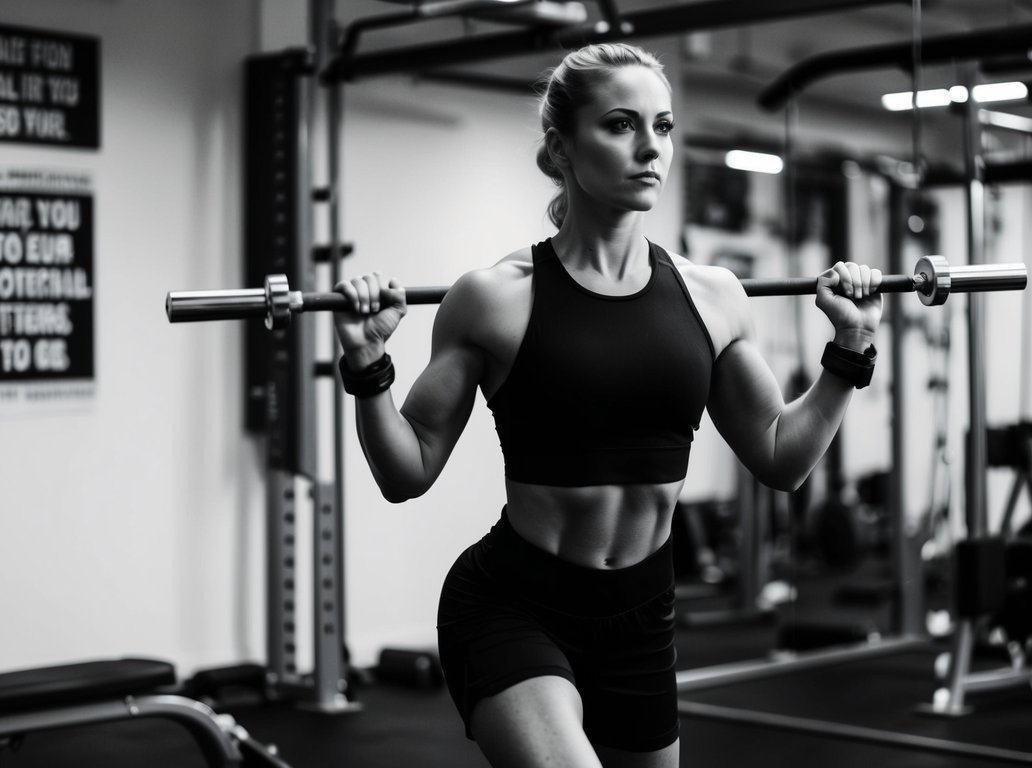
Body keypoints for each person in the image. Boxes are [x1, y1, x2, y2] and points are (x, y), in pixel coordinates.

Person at [331, 42, 882, 768]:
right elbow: (407, 472)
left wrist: (848, 351)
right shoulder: (495, 297)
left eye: (663, 126)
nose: (649, 146)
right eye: (621, 125)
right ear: (560, 148)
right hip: (512, 605)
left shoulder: (712, 296)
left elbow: (780, 457)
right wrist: (368, 366)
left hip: (640, 617)